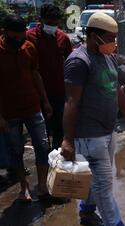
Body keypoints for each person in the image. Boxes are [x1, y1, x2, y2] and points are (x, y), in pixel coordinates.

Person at [61, 12, 125, 226]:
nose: (114, 42)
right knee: (104, 186)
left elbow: (116, 88)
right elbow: (71, 101)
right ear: (94, 36)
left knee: (96, 182)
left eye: (115, 38)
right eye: (110, 38)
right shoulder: (79, 62)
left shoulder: (107, 58)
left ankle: (87, 211)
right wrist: (68, 139)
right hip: (88, 135)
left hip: (107, 131)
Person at [0, 15, 53, 202]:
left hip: (33, 107)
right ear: (5, 32)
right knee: (16, 151)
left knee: (42, 145)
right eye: (16, 36)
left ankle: (42, 186)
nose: (20, 39)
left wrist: (45, 101)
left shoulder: (29, 47)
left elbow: (35, 74)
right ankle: (24, 188)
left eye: (22, 35)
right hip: (9, 113)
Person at [27, 3, 73, 151]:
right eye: (48, 23)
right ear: (40, 20)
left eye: (55, 23)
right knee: (41, 133)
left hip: (59, 92)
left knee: (59, 130)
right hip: (37, 94)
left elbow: (71, 62)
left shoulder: (63, 38)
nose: (52, 26)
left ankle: (57, 162)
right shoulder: (29, 37)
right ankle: (44, 162)